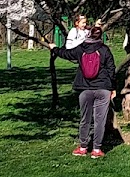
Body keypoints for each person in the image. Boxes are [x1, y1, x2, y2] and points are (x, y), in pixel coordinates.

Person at [46, 21, 116, 158]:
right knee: (99, 120)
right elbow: (111, 70)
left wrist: (54, 48)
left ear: (88, 35)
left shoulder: (81, 48)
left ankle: (83, 147)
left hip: (85, 88)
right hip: (103, 88)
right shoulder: (105, 50)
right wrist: (113, 88)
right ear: (101, 36)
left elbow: (66, 53)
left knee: (85, 119)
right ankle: (96, 150)